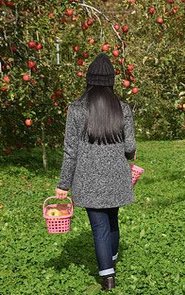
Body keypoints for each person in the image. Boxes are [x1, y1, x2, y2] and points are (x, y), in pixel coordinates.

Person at [55, 53, 136, 291]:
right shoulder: (123, 108)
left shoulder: (77, 109)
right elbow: (130, 146)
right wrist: (127, 154)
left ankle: (108, 277)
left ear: (89, 79)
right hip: (116, 176)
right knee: (112, 221)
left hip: (87, 179)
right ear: (111, 81)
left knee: (100, 226)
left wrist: (63, 184)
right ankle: (109, 262)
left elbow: (70, 150)